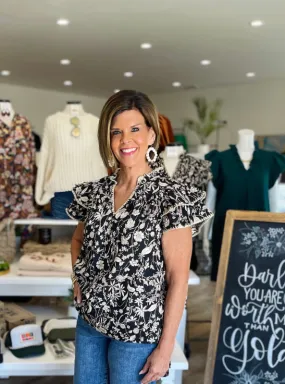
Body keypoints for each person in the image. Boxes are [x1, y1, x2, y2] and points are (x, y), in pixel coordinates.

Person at [67, 90, 213, 384]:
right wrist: (77, 280)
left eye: (135, 129)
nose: (125, 140)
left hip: (137, 332)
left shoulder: (170, 197)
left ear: (151, 133)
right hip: (91, 322)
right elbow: (77, 242)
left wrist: (166, 347)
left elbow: (178, 279)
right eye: (116, 132)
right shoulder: (97, 192)